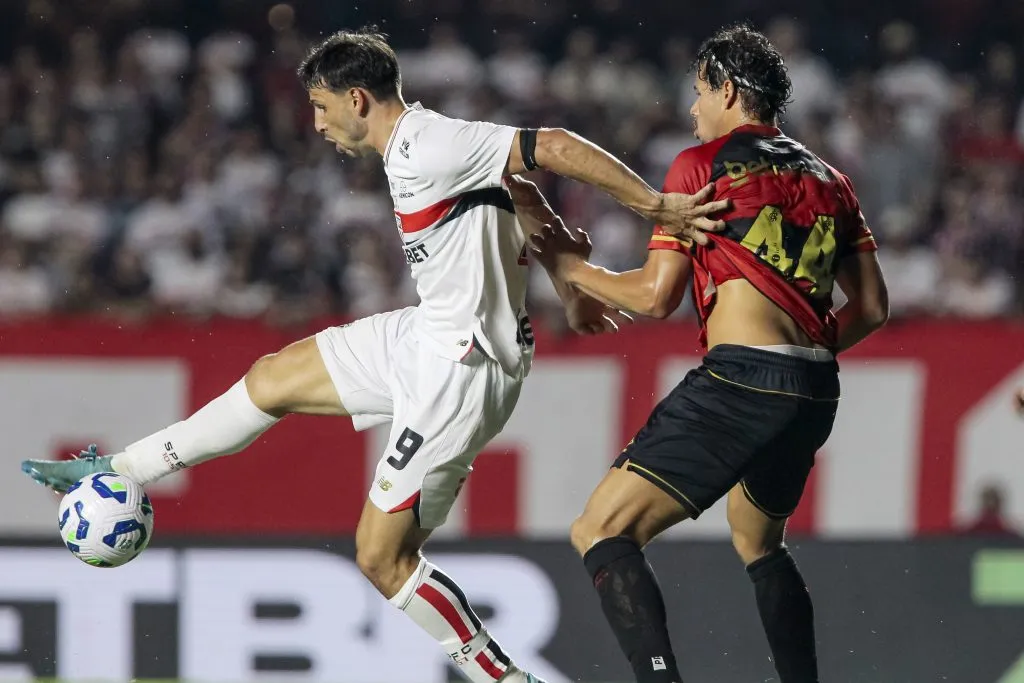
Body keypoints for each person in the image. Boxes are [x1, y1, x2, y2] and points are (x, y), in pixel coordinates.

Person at [21, 28, 726, 683]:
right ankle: (121, 467)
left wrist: (656, 208)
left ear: (357, 99)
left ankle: (503, 677)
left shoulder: (427, 144)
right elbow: (519, 189)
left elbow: (559, 146)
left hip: (461, 368)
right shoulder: (424, 151)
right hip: (427, 336)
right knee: (272, 377)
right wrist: (569, 283)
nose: (318, 124)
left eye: (323, 108)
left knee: (380, 556)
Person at [530, 23, 889, 683]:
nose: (692, 109)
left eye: (698, 93)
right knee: (758, 538)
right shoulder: (832, 178)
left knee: (601, 530)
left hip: (742, 380)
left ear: (727, 89)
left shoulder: (702, 165)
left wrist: (570, 269)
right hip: (814, 388)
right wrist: (798, 350)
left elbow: (654, 296)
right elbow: (872, 307)